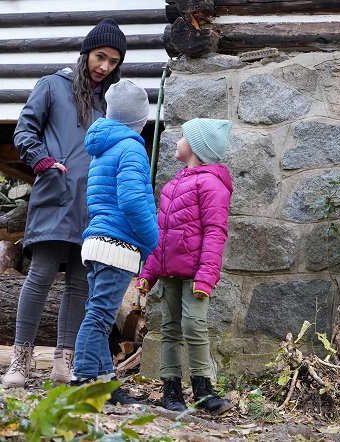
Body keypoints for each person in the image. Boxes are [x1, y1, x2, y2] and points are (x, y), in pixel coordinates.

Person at [2, 18, 127, 388]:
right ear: (86, 52)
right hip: (55, 195)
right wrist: (42, 160)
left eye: (113, 62)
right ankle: (20, 361)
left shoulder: (110, 102)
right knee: (39, 276)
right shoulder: (52, 86)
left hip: (94, 205)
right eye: (100, 56)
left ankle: (64, 362)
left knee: (79, 284)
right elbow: (25, 129)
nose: (104, 66)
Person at [136, 118, 234, 414]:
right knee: (169, 328)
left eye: (182, 137)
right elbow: (159, 234)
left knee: (193, 325)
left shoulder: (212, 184)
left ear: (195, 147)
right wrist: (148, 272)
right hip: (168, 272)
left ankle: (204, 390)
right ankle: (171, 389)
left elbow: (216, 233)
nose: (176, 142)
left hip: (194, 275)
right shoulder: (172, 185)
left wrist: (206, 276)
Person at [70, 79, 158, 405]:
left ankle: (107, 384)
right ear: (141, 120)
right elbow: (134, 202)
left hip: (96, 241)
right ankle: (80, 382)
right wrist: (152, 240)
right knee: (98, 318)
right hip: (117, 245)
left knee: (98, 314)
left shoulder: (102, 148)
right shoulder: (132, 147)